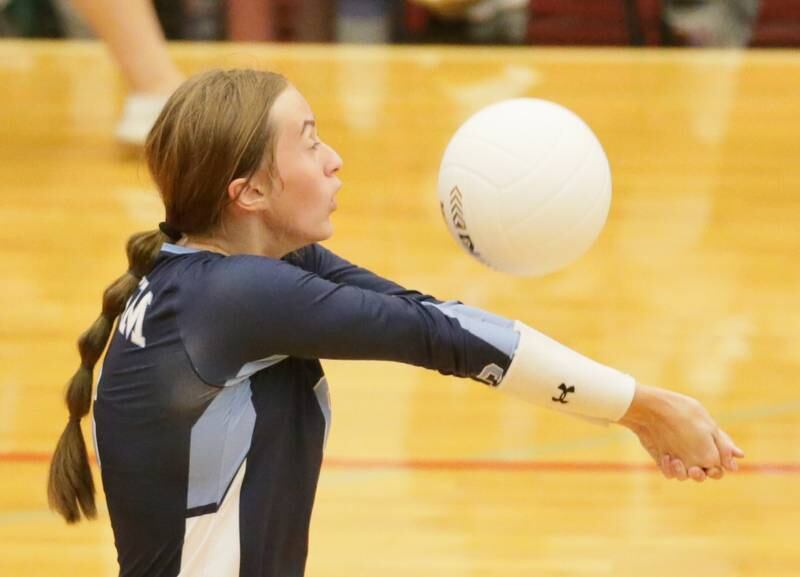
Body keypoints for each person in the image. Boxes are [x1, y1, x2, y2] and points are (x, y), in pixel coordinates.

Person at [47, 69, 744, 577]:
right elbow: (440, 337)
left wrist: (632, 412)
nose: (334, 158)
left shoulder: (226, 277)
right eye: (310, 142)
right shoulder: (234, 298)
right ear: (250, 192)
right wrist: (643, 407)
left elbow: (436, 322)